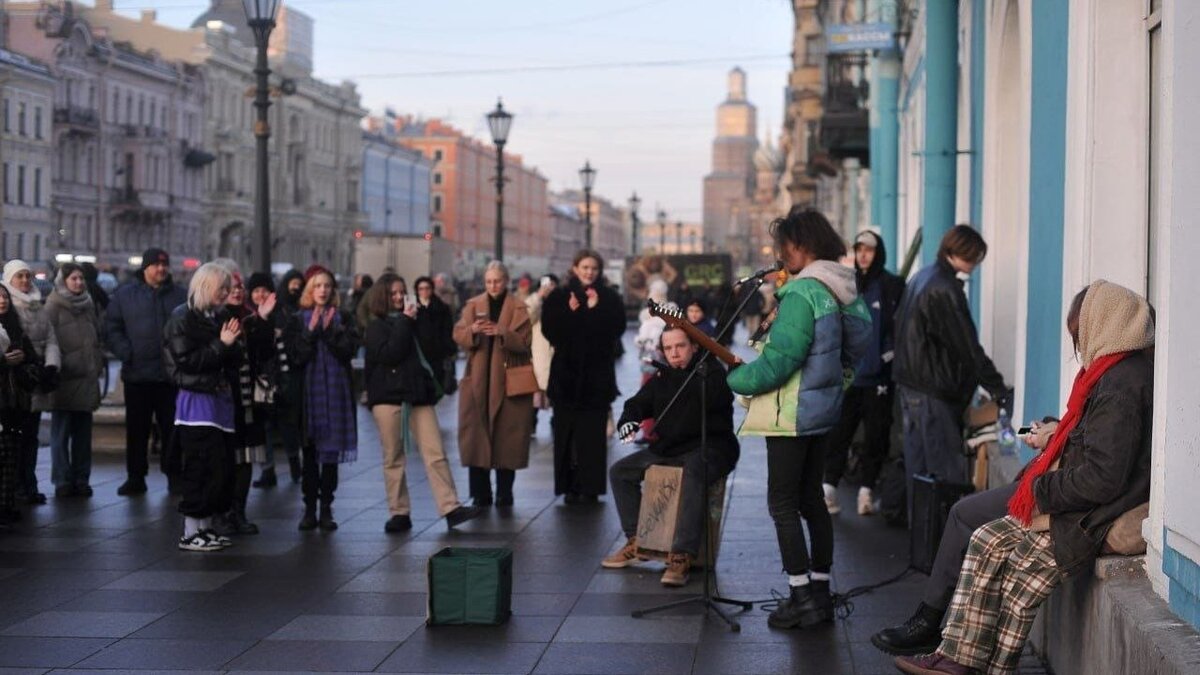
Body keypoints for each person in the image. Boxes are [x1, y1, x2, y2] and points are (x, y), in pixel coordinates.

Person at [894, 280, 1154, 675]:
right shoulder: (1110, 373)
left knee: (1019, 582)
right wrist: (1056, 438)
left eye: (1078, 335)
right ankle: (957, 657)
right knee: (985, 539)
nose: (1078, 346)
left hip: (1089, 519)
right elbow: (1098, 447)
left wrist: (1038, 488)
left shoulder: (1120, 384)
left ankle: (989, 669)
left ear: (1103, 324)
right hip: (1078, 507)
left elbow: (1103, 479)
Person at [726, 207, 872, 629]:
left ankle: (800, 595)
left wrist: (738, 377)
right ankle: (821, 593)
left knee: (783, 503)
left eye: (783, 246)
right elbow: (854, 349)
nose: (779, 254)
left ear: (802, 246)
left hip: (791, 412)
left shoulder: (804, 293)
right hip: (822, 410)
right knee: (812, 500)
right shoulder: (841, 289)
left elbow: (779, 362)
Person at [602, 326, 740, 587]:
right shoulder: (663, 375)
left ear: (694, 346)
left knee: (695, 470)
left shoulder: (711, 372)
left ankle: (681, 554)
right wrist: (628, 421)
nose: (674, 353)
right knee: (620, 472)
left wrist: (692, 370)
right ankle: (637, 541)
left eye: (681, 346)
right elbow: (637, 403)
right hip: (671, 447)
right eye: (668, 348)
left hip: (710, 446)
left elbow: (714, 398)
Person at [893, 225, 1011, 495]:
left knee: (920, 474)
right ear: (959, 253)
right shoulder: (944, 288)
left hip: (912, 386)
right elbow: (967, 347)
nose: (977, 263)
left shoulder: (923, 278)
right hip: (933, 392)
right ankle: (944, 536)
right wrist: (998, 388)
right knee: (944, 475)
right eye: (974, 256)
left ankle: (923, 536)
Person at [364, 274, 483, 532]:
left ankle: (450, 507)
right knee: (393, 457)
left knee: (435, 452)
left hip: (417, 394)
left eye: (401, 292)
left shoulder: (414, 318)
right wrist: (406, 321)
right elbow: (390, 354)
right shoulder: (376, 327)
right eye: (392, 293)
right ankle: (399, 512)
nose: (398, 297)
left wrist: (426, 313)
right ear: (382, 296)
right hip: (387, 397)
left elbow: (436, 345)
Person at [821, 230, 906, 516]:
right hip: (848, 376)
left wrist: (888, 355)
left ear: (877, 252)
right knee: (839, 432)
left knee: (876, 435)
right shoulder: (847, 284)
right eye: (859, 249)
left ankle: (866, 491)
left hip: (879, 378)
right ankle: (829, 488)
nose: (863, 255)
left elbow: (900, 324)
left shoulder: (891, 285)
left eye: (868, 249)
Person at [163, 263, 242, 553]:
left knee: (218, 468)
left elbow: (233, 357)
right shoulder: (182, 318)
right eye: (221, 288)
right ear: (206, 286)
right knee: (199, 466)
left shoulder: (218, 316)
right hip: (197, 404)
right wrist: (222, 346)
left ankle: (206, 527)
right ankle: (190, 530)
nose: (226, 294)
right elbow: (188, 361)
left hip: (218, 401)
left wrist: (231, 347)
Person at [541, 250, 627, 504]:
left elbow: (616, 330)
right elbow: (552, 332)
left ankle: (590, 487)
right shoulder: (558, 296)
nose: (589, 272)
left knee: (592, 437)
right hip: (566, 377)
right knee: (565, 435)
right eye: (585, 267)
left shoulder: (609, 297)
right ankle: (568, 486)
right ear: (575, 268)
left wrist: (592, 311)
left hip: (596, 378)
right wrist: (571, 312)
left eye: (594, 268)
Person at [105, 248, 188, 495]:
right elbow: (112, 327)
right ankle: (135, 476)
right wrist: (126, 352)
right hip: (137, 374)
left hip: (170, 377)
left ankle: (174, 475)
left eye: (164, 265)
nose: (161, 269)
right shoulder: (125, 295)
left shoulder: (180, 296)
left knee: (172, 430)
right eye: (155, 265)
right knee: (137, 430)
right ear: (145, 268)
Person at [453, 261, 534, 507]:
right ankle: (480, 493)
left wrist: (502, 332)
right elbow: (458, 334)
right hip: (478, 379)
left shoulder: (519, 308)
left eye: (497, 281)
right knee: (475, 436)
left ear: (506, 281)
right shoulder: (473, 305)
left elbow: (524, 343)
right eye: (489, 281)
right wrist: (473, 331)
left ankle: (504, 492)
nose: (493, 286)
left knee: (507, 438)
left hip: (507, 380)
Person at [295, 265, 359, 531]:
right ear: (310, 290)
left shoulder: (342, 317)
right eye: (317, 286)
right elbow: (297, 356)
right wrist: (311, 332)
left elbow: (348, 352)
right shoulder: (298, 319)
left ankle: (326, 508)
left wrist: (330, 331)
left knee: (330, 454)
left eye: (327, 286)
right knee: (309, 453)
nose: (323, 290)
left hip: (336, 392)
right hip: (308, 394)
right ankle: (309, 508)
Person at [212, 261, 267, 535]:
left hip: (249, 401)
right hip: (225, 399)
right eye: (231, 287)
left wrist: (263, 322)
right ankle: (222, 512)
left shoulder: (251, 318)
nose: (238, 291)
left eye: (240, 286)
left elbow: (264, 353)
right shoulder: (215, 318)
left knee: (246, 458)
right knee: (226, 459)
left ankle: (239, 511)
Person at [40, 264, 103, 498]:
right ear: (63, 280)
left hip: (86, 379)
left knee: (83, 436)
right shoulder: (53, 306)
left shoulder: (87, 304)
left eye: (81, 278)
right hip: (65, 379)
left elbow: (97, 334)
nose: (79, 282)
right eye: (74, 278)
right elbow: (48, 341)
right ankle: (62, 480)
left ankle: (81, 478)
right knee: (61, 433)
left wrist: (96, 362)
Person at [3, 260, 60, 505]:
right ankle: (15, 486)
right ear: (9, 280)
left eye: (28, 276)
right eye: (20, 277)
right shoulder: (7, 305)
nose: (25, 281)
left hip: (35, 376)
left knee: (31, 436)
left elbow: (51, 339)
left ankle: (29, 483)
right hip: (15, 381)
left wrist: (50, 365)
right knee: (15, 438)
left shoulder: (38, 305)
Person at [0, 288, 34, 527]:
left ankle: (6, 503)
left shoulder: (15, 327)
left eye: (4, 296)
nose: (2, 301)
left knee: (12, 453)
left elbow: (31, 356)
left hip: (13, 399)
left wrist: (24, 359)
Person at [412, 276, 456, 396]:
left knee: (436, 385)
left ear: (432, 289)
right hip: (417, 352)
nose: (424, 292)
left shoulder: (441, 308)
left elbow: (447, 330)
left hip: (437, 352)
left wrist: (449, 349)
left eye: (427, 288)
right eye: (421, 289)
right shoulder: (411, 307)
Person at [524, 274, 557, 423]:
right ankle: (531, 423)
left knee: (557, 394)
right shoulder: (535, 303)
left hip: (557, 356)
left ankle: (557, 422)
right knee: (535, 394)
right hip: (539, 356)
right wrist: (539, 296)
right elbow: (526, 315)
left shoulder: (562, 301)